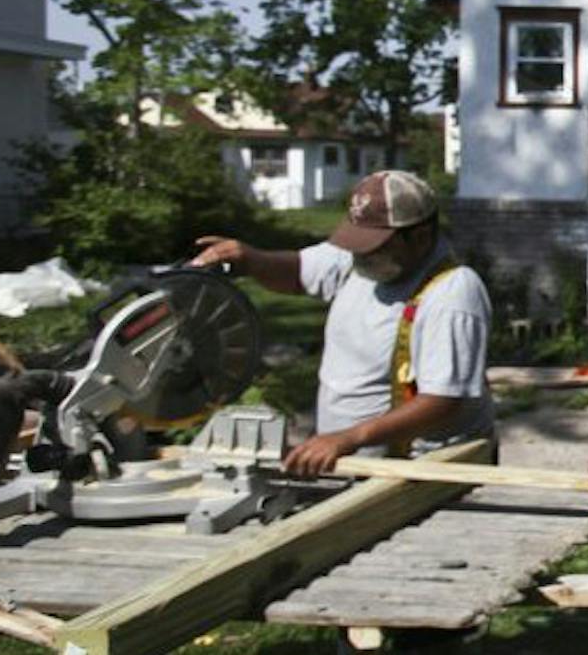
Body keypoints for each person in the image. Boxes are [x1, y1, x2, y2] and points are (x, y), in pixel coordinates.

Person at [190, 170, 493, 474]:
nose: (361, 254)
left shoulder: (451, 292)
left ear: (420, 236)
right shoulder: (360, 260)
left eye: (374, 246)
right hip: (351, 460)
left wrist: (350, 438)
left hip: (420, 472)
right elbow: (297, 272)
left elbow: (443, 400)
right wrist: (251, 260)